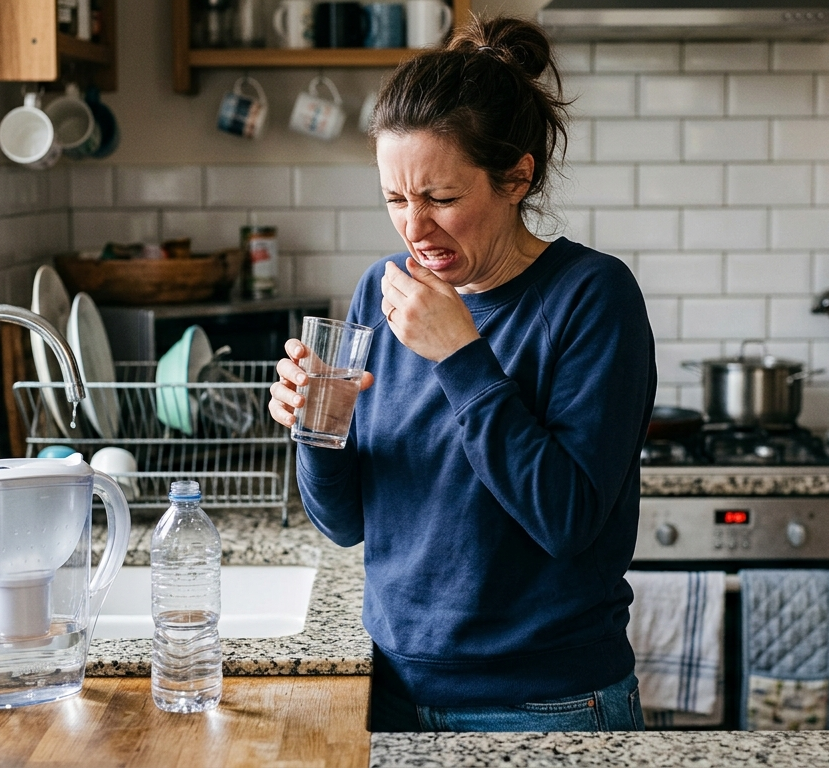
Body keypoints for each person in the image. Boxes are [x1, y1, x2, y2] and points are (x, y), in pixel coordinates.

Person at [267, 16, 657, 733]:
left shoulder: (592, 297)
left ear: (516, 177)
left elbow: (566, 521)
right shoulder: (381, 293)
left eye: (441, 199)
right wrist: (319, 428)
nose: (415, 229)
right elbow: (344, 524)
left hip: (548, 705)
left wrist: (460, 356)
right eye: (396, 199)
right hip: (393, 692)